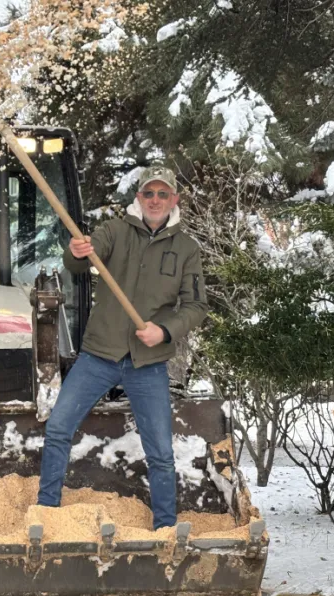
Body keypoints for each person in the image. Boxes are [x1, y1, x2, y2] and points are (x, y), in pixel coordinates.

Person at [36, 164, 209, 530]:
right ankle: (45, 514)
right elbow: (80, 263)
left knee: (160, 452)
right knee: (58, 429)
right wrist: (78, 251)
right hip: (100, 353)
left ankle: (165, 529)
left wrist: (164, 331)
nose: (156, 200)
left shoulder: (186, 249)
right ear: (139, 197)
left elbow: (196, 307)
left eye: (163, 194)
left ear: (174, 200)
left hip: (148, 361)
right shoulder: (115, 230)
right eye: (149, 193)